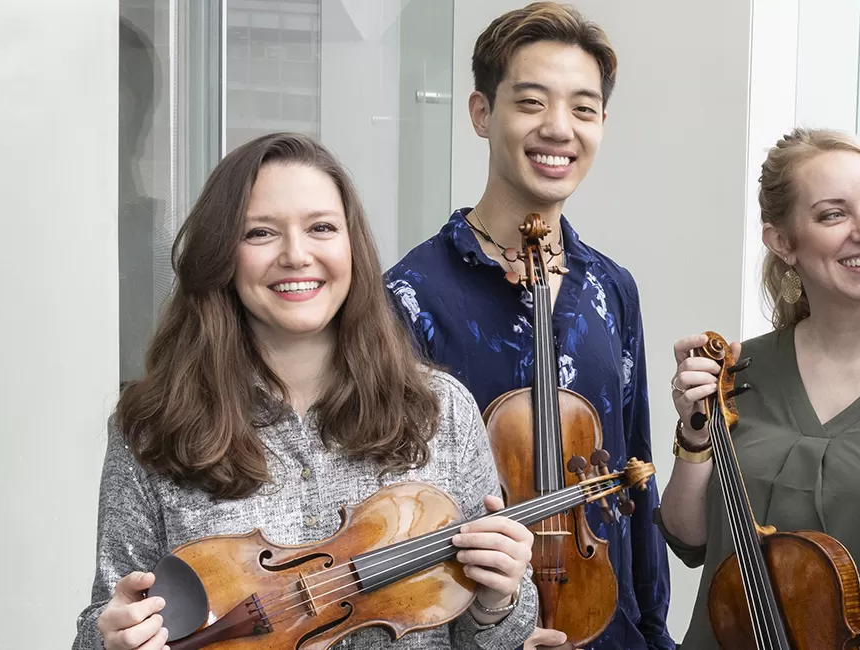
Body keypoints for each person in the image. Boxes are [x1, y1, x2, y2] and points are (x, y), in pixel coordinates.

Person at [73, 132, 539, 650]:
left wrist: (500, 599)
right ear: (222, 255)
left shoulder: (443, 410)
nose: (297, 255)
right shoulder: (150, 429)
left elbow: (483, 638)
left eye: (321, 228)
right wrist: (109, 640)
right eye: (260, 233)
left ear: (352, 246)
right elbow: (104, 618)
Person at [382, 4, 671, 649]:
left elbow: (631, 476)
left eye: (584, 109)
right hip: (468, 629)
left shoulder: (610, 289)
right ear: (482, 113)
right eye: (532, 102)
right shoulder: (409, 295)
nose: (559, 129)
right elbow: (395, 508)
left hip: (605, 626)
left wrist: (650, 632)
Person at [660, 128, 860, 649]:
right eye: (833, 214)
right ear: (782, 242)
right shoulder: (738, 368)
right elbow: (691, 539)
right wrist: (694, 437)